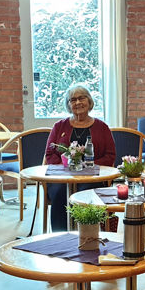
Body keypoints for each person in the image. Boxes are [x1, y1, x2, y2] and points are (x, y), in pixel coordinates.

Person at [44, 85, 115, 231]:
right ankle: (60, 236)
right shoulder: (59, 126)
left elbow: (110, 155)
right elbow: (50, 154)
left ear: (89, 101)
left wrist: (88, 167)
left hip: (93, 178)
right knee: (59, 192)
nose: (77, 102)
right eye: (73, 100)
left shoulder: (102, 127)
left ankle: (88, 234)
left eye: (81, 98)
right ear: (69, 105)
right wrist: (67, 166)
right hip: (62, 177)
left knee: (86, 192)